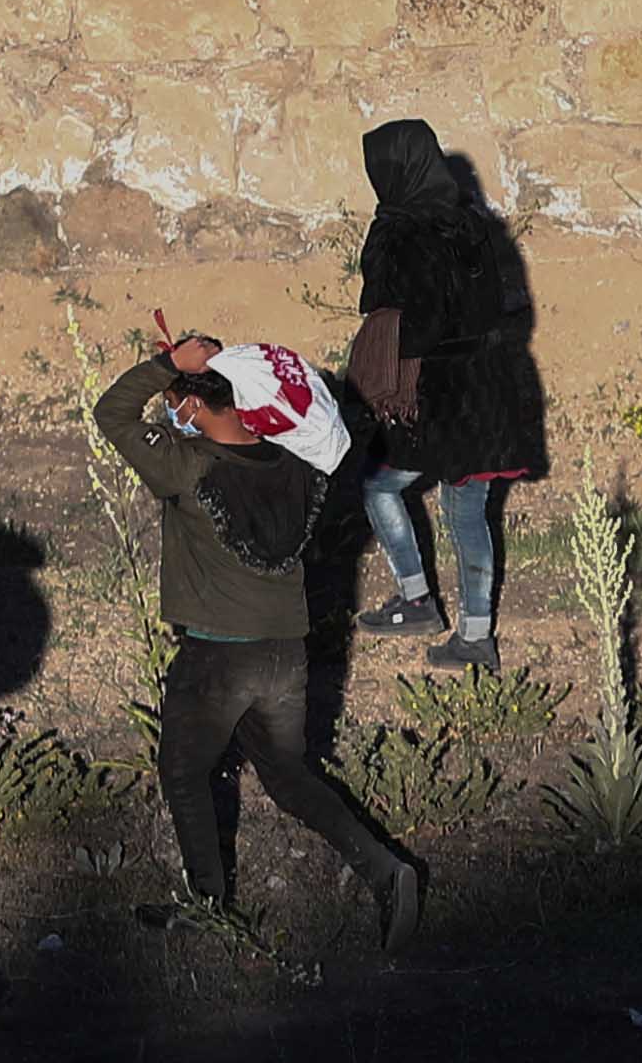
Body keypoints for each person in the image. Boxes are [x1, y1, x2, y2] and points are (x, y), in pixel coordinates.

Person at [93, 322, 423, 950]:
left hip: (217, 655)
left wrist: (166, 364)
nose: (170, 413)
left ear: (193, 404)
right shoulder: (292, 459)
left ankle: (210, 905)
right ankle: (387, 870)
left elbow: (111, 412)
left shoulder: (188, 465)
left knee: (184, 770)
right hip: (286, 652)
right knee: (289, 774)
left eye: (175, 405)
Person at [344, 117, 550, 671]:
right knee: (469, 514)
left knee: (379, 486)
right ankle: (476, 635)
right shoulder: (474, 224)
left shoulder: (399, 230)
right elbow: (507, 308)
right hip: (494, 388)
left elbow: (402, 316)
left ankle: (417, 600)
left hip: (439, 394)